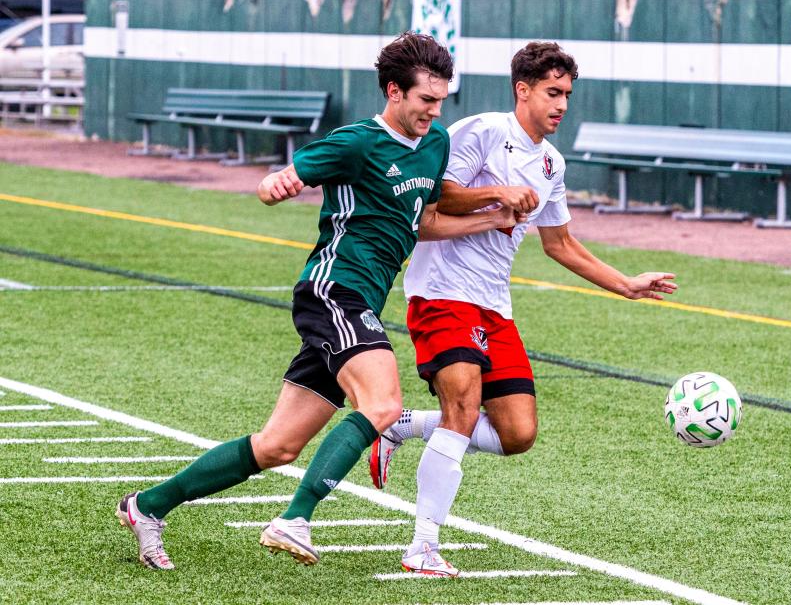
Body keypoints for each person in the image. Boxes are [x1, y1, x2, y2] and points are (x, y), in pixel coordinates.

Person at [115, 32, 524, 571]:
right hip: (333, 291)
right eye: (426, 100)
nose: (434, 111)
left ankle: (148, 506)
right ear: (394, 91)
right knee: (381, 406)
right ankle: (295, 518)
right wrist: (277, 183)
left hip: (360, 301)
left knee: (277, 447)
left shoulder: (435, 143)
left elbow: (419, 221)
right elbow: (278, 181)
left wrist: (490, 218)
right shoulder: (356, 141)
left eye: (441, 100)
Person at [368, 41, 678, 577]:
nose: (561, 105)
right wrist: (499, 194)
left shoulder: (552, 163)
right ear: (523, 90)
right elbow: (435, 195)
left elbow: (561, 244)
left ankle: (402, 424)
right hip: (441, 291)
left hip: (494, 305)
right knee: (463, 410)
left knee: (518, 434)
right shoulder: (481, 131)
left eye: (567, 96)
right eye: (553, 93)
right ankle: (422, 546)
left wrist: (626, 284)